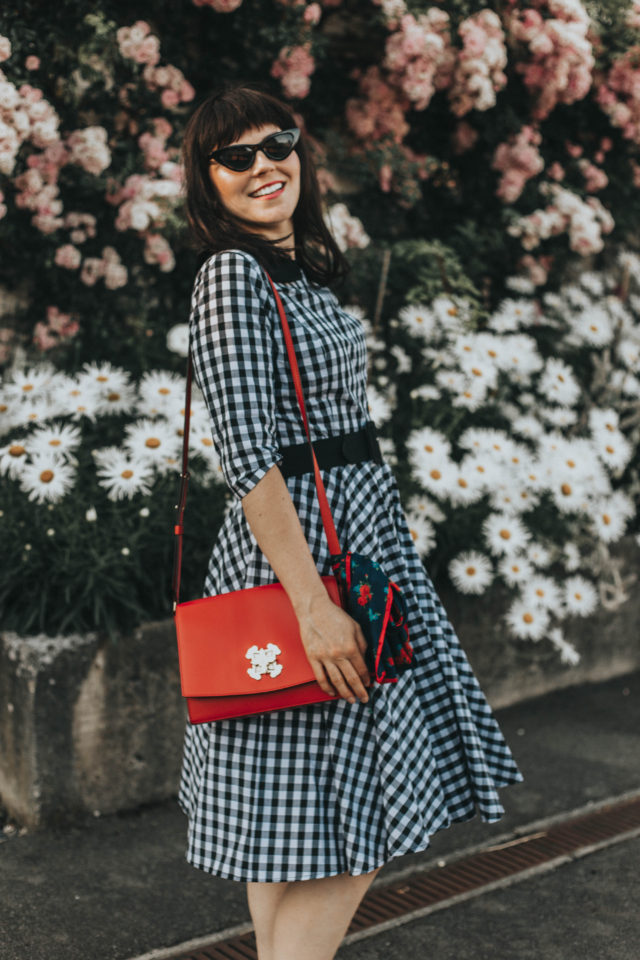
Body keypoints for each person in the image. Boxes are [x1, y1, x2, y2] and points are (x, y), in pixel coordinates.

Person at [177, 83, 524, 960]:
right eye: (236, 157)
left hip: (355, 541)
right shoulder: (231, 274)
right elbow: (249, 453)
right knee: (361, 802)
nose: (264, 166)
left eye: (277, 144)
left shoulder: (301, 269)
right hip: (306, 562)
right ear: (207, 181)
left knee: (295, 808)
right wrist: (312, 604)